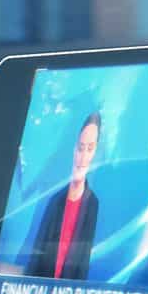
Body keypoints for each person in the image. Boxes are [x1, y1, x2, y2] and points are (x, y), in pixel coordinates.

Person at [21, 112, 102, 282]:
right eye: (80, 148)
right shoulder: (54, 201)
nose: (83, 157)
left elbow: (84, 266)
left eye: (90, 149)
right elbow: (34, 256)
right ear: (73, 150)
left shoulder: (94, 205)